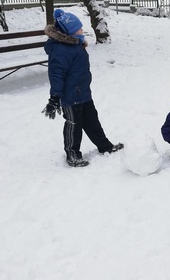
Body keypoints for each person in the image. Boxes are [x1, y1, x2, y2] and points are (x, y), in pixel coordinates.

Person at [43, 9, 123, 167]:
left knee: (92, 120)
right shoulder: (61, 50)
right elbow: (56, 75)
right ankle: (72, 154)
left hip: (83, 92)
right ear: (68, 32)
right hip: (70, 96)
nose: (81, 30)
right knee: (74, 124)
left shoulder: (75, 44)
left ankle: (105, 146)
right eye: (78, 28)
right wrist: (55, 97)